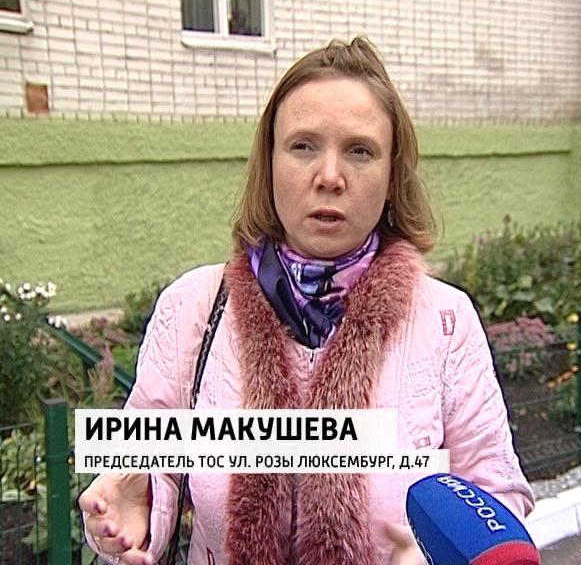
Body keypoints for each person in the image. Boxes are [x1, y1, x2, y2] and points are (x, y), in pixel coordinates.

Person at [79, 36, 535, 565]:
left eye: (360, 151)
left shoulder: (446, 321)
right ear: (270, 163)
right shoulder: (193, 307)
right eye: (303, 146)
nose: (330, 177)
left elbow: (497, 501)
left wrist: (438, 557)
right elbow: (147, 461)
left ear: (392, 175)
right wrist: (134, 506)